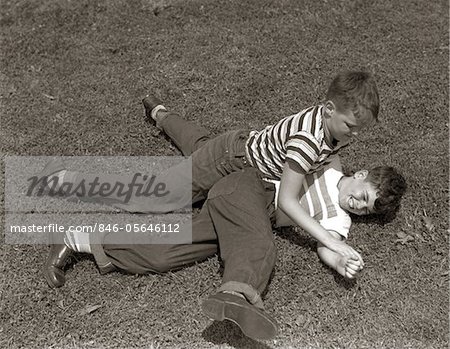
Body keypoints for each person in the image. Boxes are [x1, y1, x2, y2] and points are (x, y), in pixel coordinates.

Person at [43, 159, 406, 341]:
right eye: (363, 196)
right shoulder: (328, 164)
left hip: (246, 217)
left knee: (163, 254)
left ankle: (76, 239)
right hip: (249, 187)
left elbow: (328, 247)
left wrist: (340, 260)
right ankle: (239, 294)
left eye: (367, 209)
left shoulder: (339, 222)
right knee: (258, 245)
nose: (358, 205)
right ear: (360, 175)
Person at [41, 70, 380, 265]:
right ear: (328, 109)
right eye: (350, 125)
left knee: (198, 145)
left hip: (245, 169)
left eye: (359, 129)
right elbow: (287, 203)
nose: (354, 134)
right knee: (153, 198)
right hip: (231, 160)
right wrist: (331, 242)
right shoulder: (309, 139)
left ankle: (159, 113)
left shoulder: (335, 133)